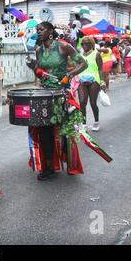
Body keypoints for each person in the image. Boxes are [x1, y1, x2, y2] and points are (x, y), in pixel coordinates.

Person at [26, 21, 88, 180]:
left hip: (61, 93)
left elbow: (83, 63)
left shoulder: (63, 46)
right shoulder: (38, 50)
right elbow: (41, 74)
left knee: (65, 132)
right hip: (45, 94)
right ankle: (48, 166)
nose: (39, 32)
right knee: (44, 130)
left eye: (42, 29)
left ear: (51, 31)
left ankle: (69, 162)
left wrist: (69, 75)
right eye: (37, 30)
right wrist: (33, 67)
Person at [78, 36, 106, 132]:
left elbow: (100, 69)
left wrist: (102, 81)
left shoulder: (96, 54)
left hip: (94, 80)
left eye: (86, 43)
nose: (84, 45)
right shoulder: (80, 55)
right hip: (81, 80)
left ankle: (96, 121)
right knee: (82, 102)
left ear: (91, 44)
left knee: (93, 103)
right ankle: (84, 124)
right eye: (82, 44)